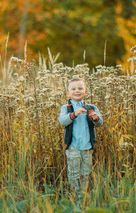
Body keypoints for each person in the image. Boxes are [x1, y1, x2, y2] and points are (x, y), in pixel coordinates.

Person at [58, 78, 103, 209]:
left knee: (86, 173)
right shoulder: (66, 108)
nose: (77, 91)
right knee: (74, 174)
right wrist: (74, 114)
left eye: (80, 88)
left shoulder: (91, 107)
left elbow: (99, 122)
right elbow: (62, 121)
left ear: (86, 91)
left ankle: (84, 198)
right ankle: (75, 198)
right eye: (73, 89)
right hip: (73, 147)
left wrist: (95, 118)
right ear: (68, 93)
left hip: (87, 147)